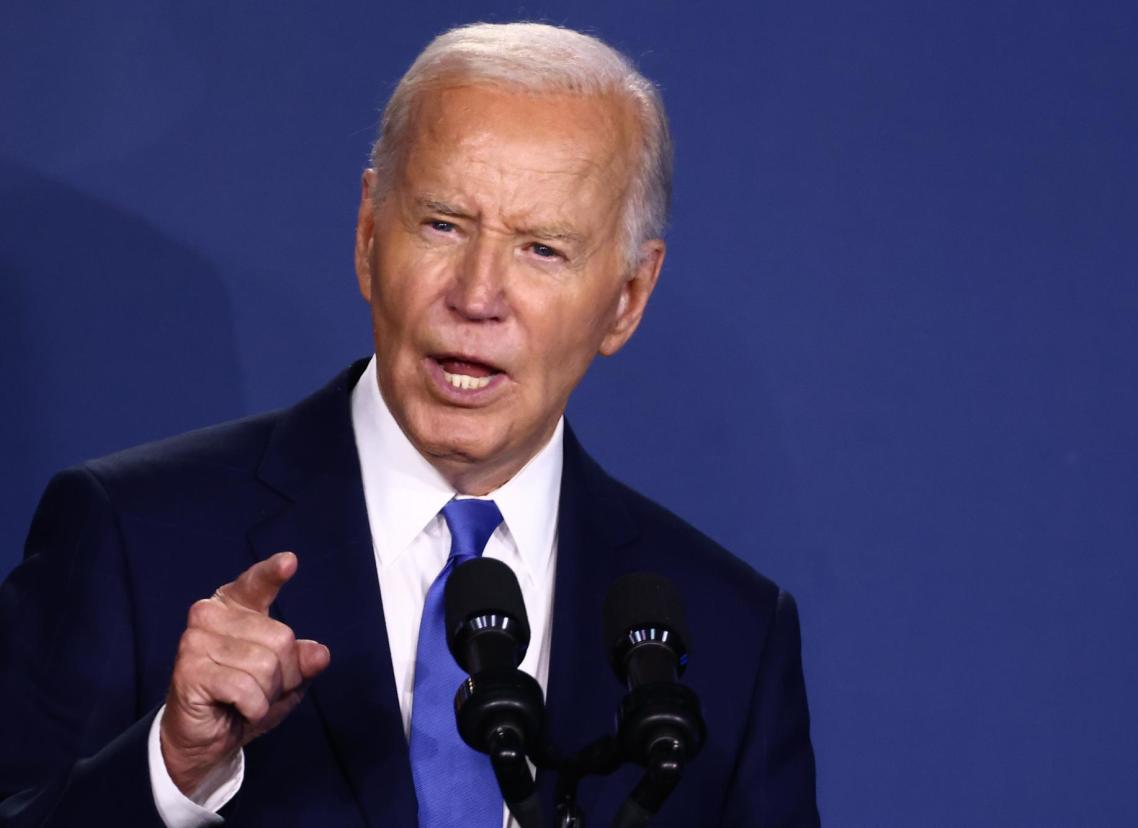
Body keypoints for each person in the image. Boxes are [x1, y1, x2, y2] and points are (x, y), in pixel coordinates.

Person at [0, 22, 819, 827]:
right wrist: (173, 769)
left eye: (541, 248)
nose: (476, 295)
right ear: (367, 234)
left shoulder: (728, 637)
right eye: (442, 225)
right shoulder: (132, 538)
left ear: (627, 299)